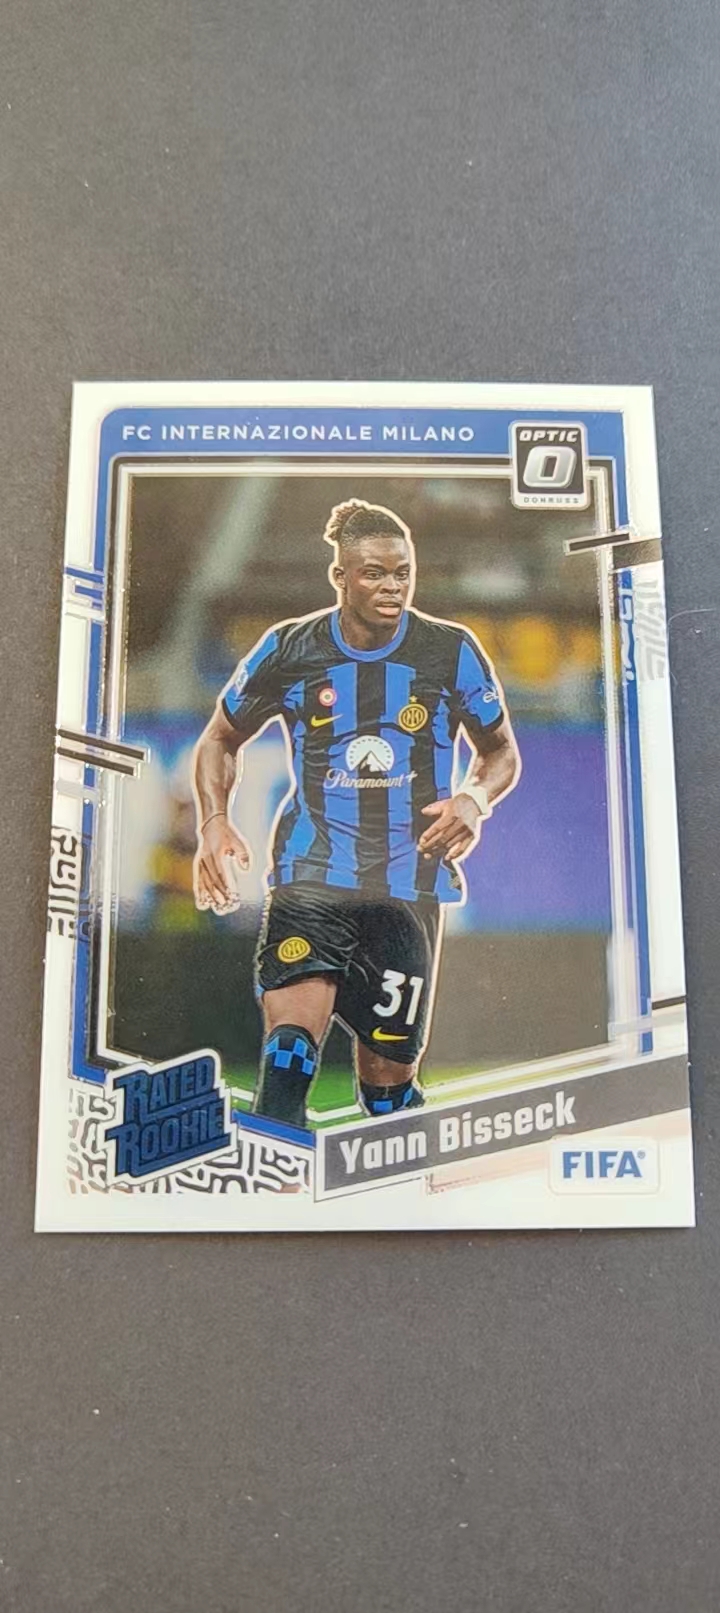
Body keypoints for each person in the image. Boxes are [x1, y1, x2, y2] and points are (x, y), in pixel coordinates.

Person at [193, 498, 520, 1131]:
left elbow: (500, 751)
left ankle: (404, 1177)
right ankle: (277, 1173)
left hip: (407, 885)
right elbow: (220, 738)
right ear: (340, 576)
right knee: (289, 1052)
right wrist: (213, 820)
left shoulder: (450, 650)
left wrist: (473, 799)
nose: (392, 586)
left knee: (388, 1087)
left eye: (403, 572)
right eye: (374, 573)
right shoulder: (289, 647)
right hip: (312, 874)